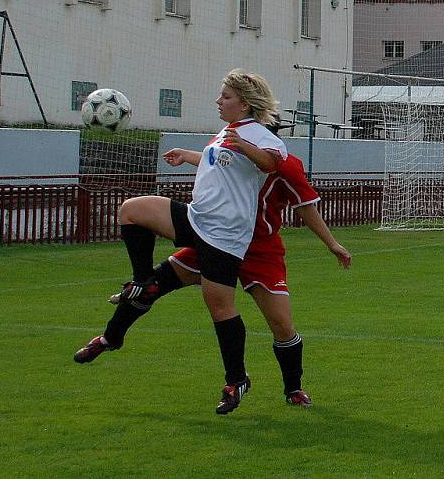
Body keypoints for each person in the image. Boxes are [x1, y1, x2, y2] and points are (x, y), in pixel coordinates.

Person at [74, 69, 287, 415]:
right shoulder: (228, 132)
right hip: (196, 217)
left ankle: (237, 379)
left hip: (224, 235)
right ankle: (140, 283)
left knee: (219, 308)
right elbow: (223, 164)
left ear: (244, 104)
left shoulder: (261, 136)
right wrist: (190, 156)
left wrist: (245, 146)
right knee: (132, 210)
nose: (219, 102)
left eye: (226, 97)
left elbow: (272, 164)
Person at [76, 151, 351, 408]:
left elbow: (305, 207)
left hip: (259, 250)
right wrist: (186, 155)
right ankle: (110, 338)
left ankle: (293, 389)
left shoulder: (286, 164)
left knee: (281, 324)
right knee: (151, 286)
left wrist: (332, 243)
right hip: (218, 239)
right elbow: (217, 160)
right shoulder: (234, 144)